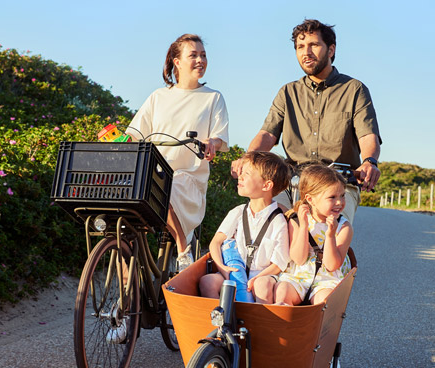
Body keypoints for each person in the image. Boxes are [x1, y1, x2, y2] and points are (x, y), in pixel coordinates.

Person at [233, 19, 382, 221]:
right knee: (269, 222)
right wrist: (248, 158)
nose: (306, 52)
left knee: (329, 233)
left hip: (338, 181)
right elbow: (267, 133)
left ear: (331, 50)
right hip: (292, 180)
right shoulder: (287, 92)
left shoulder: (354, 89)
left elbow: (367, 135)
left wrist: (369, 162)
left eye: (314, 45)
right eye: (300, 47)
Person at [126, 34, 229, 270]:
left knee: (166, 187)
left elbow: (220, 138)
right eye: (193, 55)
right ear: (177, 61)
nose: (200, 60)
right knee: (120, 221)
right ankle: (124, 297)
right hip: (153, 171)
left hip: (188, 177)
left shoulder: (213, 97)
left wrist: (212, 143)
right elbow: (135, 134)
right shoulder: (158, 96)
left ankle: (184, 250)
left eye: (203, 55)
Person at [199, 152, 291, 304]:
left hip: (262, 276)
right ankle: (222, 322)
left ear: (267, 185)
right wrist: (224, 269)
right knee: (207, 281)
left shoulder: (278, 220)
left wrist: (256, 279)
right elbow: (215, 242)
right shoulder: (238, 212)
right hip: (233, 273)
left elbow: (279, 263)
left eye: (247, 174)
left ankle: (260, 324)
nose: (240, 176)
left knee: (263, 285)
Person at [274, 165, 354, 306]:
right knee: (282, 291)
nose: (339, 202)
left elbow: (331, 265)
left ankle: (315, 325)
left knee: (324, 301)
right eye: (332, 197)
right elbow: (298, 259)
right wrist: (304, 226)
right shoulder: (296, 220)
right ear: (310, 199)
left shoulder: (343, 227)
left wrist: (330, 235)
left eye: (342, 196)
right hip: (298, 275)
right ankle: (283, 323)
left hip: (326, 279)